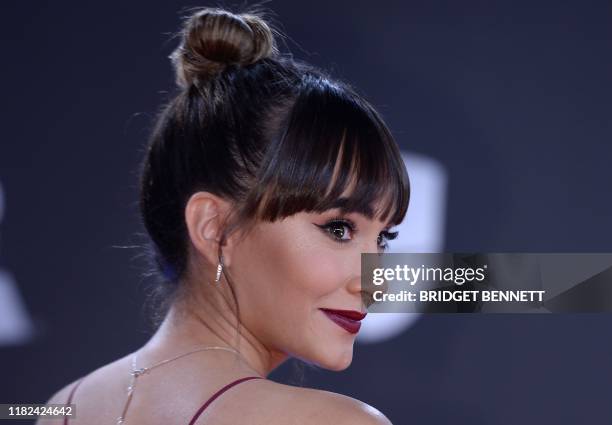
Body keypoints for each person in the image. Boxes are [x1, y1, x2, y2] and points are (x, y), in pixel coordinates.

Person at [38, 6, 409, 425]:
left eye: (384, 239)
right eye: (339, 228)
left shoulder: (62, 408)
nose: (375, 282)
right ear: (215, 229)